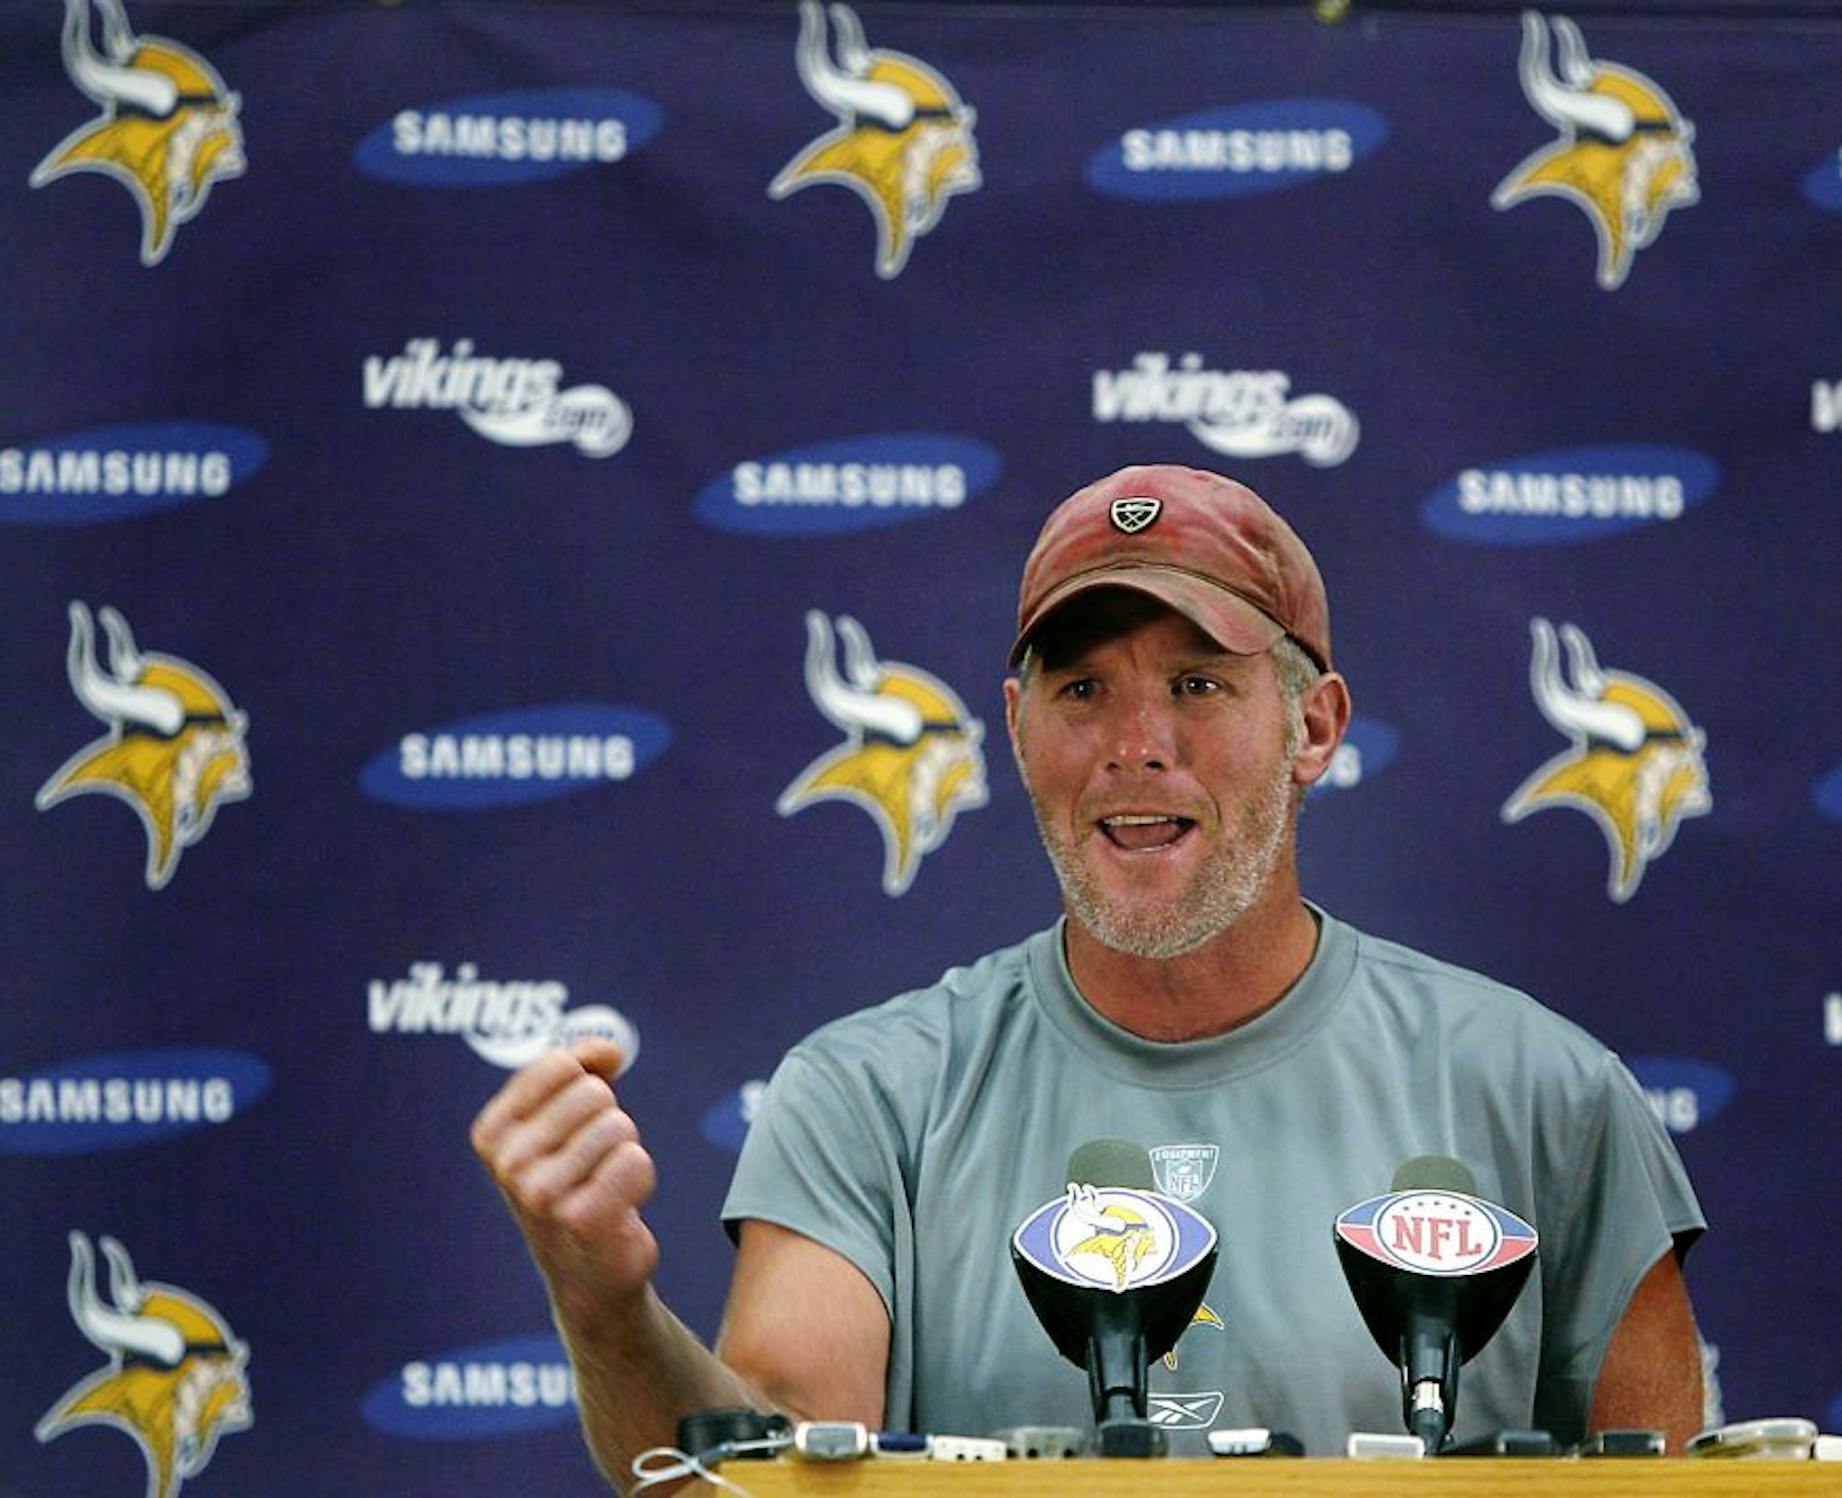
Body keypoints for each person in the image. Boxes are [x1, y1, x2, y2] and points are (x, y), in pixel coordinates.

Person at [471, 464, 1706, 1488]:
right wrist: (606, 1307)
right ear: (1015, 729)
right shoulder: (872, 1097)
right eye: (1083, 690)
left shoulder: (1542, 1092)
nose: (1135, 747)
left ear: (1315, 728)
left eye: (1198, 685)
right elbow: (767, 1481)